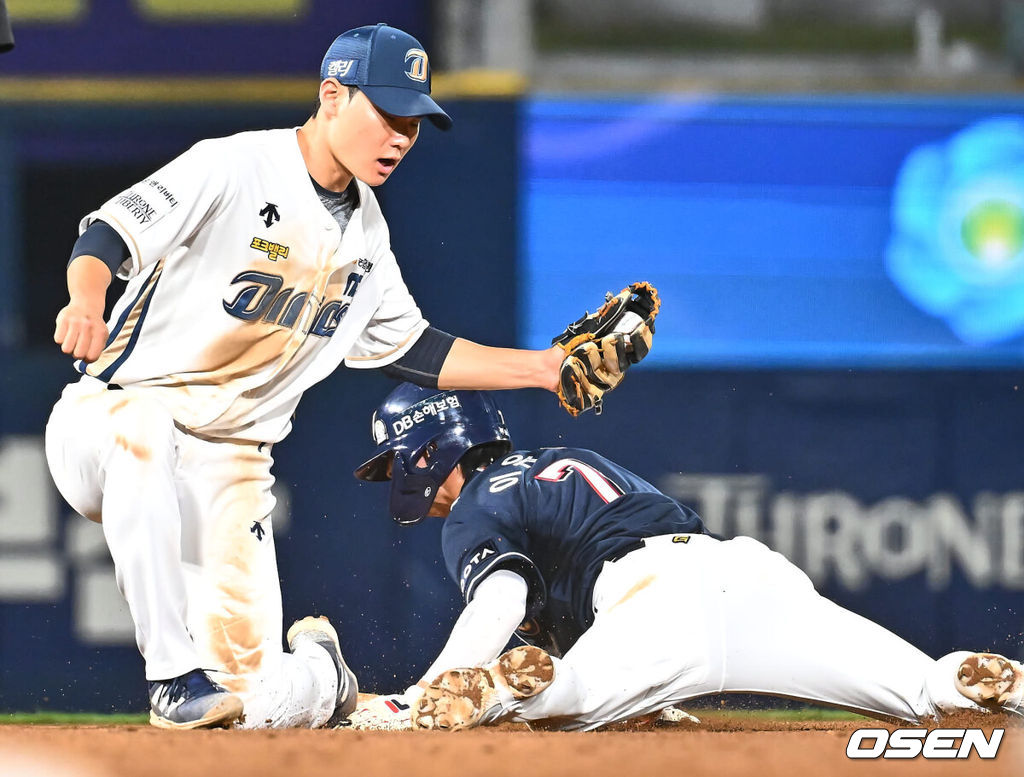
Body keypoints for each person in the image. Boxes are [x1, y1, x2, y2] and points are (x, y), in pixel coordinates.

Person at [45, 23, 570, 730]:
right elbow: (107, 234)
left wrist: (542, 368)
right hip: (113, 415)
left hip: (231, 470)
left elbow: (413, 347)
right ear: (331, 95)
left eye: (412, 123)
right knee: (140, 433)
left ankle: (321, 675)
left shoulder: (368, 235)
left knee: (252, 706)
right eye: (386, 114)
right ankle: (170, 675)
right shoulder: (234, 166)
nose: (400, 137)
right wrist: (86, 298)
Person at [350, 383, 1024, 731]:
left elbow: (503, 598)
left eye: (394, 465)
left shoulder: (474, 505)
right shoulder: (563, 461)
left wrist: (428, 692)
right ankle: (972, 677)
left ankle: (509, 686)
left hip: (651, 604)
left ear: (427, 449)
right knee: (924, 694)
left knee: (569, 703)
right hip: (744, 573)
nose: (395, 481)